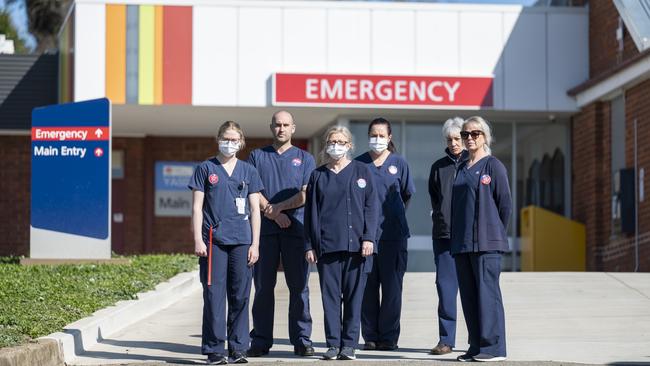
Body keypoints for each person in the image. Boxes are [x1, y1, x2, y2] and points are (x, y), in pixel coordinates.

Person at [189, 121, 263, 365]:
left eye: (234, 140)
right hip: (213, 241)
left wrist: (255, 244)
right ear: (218, 138)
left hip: (242, 241)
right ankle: (214, 350)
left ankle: (238, 348)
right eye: (226, 138)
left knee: (240, 296)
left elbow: (255, 210)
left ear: (241, 143)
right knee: (213, 295)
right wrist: (198, 239)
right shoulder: (205, 168)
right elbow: (197, 207)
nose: (230, 143)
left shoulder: (248, 171)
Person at [304, 125, 379, 361]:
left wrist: (369, 238)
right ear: (327, 145)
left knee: (354, 298)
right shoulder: (318, 175)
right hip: (327, 247)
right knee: (331, 299)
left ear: (349, 145)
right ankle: (333, 344)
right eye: (332, 142)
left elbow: (372, 208)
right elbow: (310, 214)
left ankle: (349, 345)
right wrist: (309, 245)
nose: (336, 146)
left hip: (356, 247)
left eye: (341, 142)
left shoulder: (362, 171)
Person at [247, 111, 315, 357]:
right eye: (277, 125)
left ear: (293, 128)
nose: (281, 129)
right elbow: (253, 192)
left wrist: (280, 208)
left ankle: (301, 339)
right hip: (264, 232)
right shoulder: (256, 156)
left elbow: (305, 194)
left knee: (299, 287)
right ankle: (261, 340)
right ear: (271, 127)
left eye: (286, 125)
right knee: (263, 287)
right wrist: (273, 213)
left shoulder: (305, 159)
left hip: (296, 230)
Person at [451, 116, 511, 362]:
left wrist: (493, 232)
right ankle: (476, 345)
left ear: (485, 136)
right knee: (469, 296)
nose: (469, 138)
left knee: (488, 295)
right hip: (462, 244)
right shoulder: (462, 167)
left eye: (475, 133)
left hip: (487, 244)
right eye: (465, 134)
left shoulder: (493, 166)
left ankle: (493, 347)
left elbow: (504, 205)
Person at [356, 117, 415, 351]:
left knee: (392, 290)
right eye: (373, 135)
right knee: (367, 289)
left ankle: (388, 337)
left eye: (382, 135)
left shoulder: (400, 163)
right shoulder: (359, 164)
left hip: (393, 237)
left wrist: (392, 217)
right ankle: (370, 336)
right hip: (365, 239)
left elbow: (407, 195)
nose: (377, 139)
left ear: (389, 138)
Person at [427, 117, 468, 355]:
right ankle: (446, 340)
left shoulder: (475, 164)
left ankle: (478, 339)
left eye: (458, 138)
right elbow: (436, 200)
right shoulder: (438, 167)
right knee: (445, 288)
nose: (454, 143)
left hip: (469, 238)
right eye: (450, 139)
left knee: (472, 290)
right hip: (443, 236)